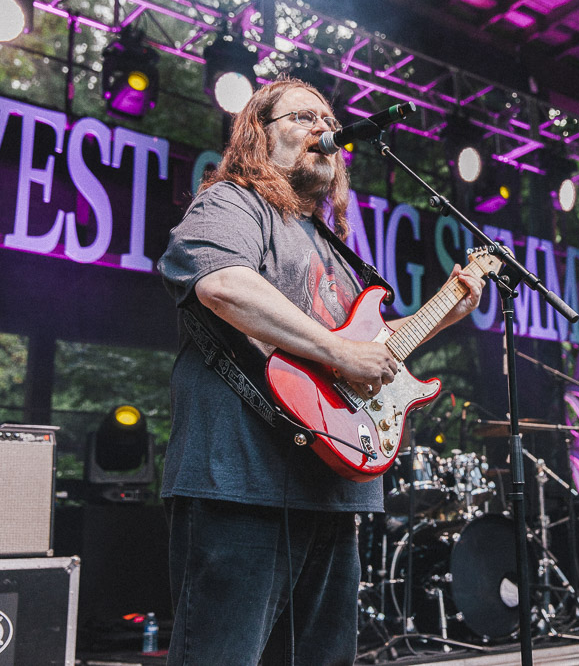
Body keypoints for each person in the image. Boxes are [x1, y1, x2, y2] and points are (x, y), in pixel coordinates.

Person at [156, 77, 483, 665]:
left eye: (327, 118)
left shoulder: (336, 247)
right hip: (242, 479)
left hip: (333, 488)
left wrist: (442, 314)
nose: (322, 128)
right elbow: (224, 285)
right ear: (259, 134)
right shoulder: (232, 202)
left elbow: (369, 355)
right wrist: (339, 353)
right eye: (302, 117)